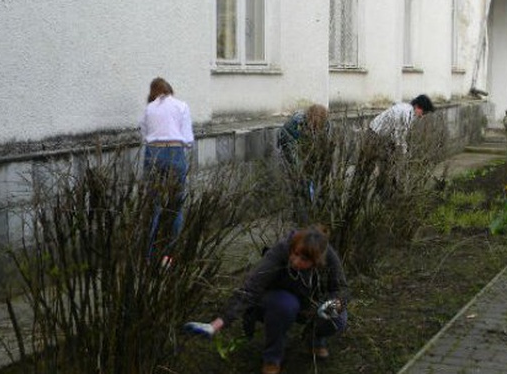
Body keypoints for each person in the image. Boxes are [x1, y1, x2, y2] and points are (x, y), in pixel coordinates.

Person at [183, 226, 349, 374]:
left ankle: (315, 338)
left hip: (311, 305)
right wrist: (216, 325)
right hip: (278, 301)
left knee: (337, 319)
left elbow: (341, 288)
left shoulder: (328, 257)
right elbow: (251, 287)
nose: (296, 261)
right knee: (284, 305)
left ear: (316, 261)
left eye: (304, 260)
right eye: (295, 254)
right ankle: (272, 358)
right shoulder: (280, 251)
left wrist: (335, 304)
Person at [139, 77, 194, 259]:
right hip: (174, 152)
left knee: (153, 205)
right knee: (175, 205)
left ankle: (149, 254)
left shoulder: (149, 108)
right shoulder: (181, 106)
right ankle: (170, 254)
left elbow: (144, 134)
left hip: (153, 153)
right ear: (170, 90)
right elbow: (188, 139)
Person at [277, 104, 330, 224]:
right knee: (299, 186)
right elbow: (289, 150)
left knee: (315, 185)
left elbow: (324, 144)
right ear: (310, 118)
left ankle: (315, 213)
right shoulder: (295, 124)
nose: (316, 128)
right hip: (294, 154)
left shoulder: (326, 124)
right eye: (314, 124)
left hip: (310, 155)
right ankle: (300, 218)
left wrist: (319, 164)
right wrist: (300, 168)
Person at [369, 94, 435, 154]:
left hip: (382, 133)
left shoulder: (410, 111)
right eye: (423, 112)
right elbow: (399, 133)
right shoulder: (406, 112)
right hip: (376, 133)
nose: (422, 116)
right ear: (417, 106)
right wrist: (403, 151)